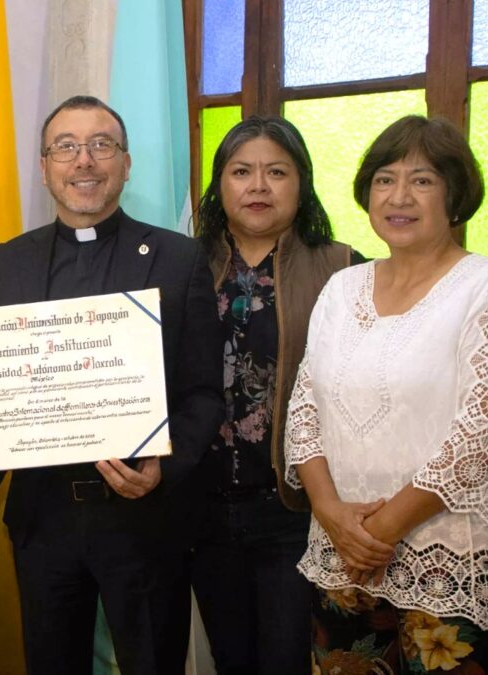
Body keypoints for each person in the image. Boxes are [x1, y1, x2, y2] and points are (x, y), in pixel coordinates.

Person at [0, 95, 223, 675]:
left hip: (141, 519)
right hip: (42, 519)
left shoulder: (178, 258)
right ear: (44, 166)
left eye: (101, 145)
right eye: (66, 147)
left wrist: (164, 466)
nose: (83, 161)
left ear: (126, 162)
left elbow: (203, 391)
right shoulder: (5, 262)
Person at [286, 115, 488, 673]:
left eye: (422, 180)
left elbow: (482, 436)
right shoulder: (342, 287)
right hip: (343, 562)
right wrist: (329, 513)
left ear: (455, 195)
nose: (399, 196)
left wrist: (376, 533)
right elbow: (304, 410)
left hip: (453, 570)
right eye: (384, 179)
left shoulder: (487, 287)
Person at [190, 117, 360, 675]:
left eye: (276, 172)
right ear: (220, 186)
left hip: (298, 513)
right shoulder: (181, 266)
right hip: (202, 510)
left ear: (302, 183)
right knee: (231, 660)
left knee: (289, 660)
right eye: (241, 172)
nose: (258, 186)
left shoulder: (345, 269)